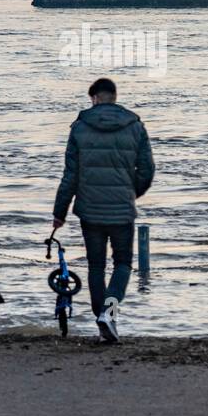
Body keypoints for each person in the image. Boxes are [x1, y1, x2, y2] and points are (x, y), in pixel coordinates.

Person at [52, 77, 154, 343]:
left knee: (96, 266)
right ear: (114, 97)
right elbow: (147, 170)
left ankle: (102, 319)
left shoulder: (79, 127)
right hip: (122, 209)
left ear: (94, 98)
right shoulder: (135, 126)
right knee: (123, 264)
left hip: (90, 210)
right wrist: (131, 193)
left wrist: (59, 212)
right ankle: (109, 313)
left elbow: (70, 175)